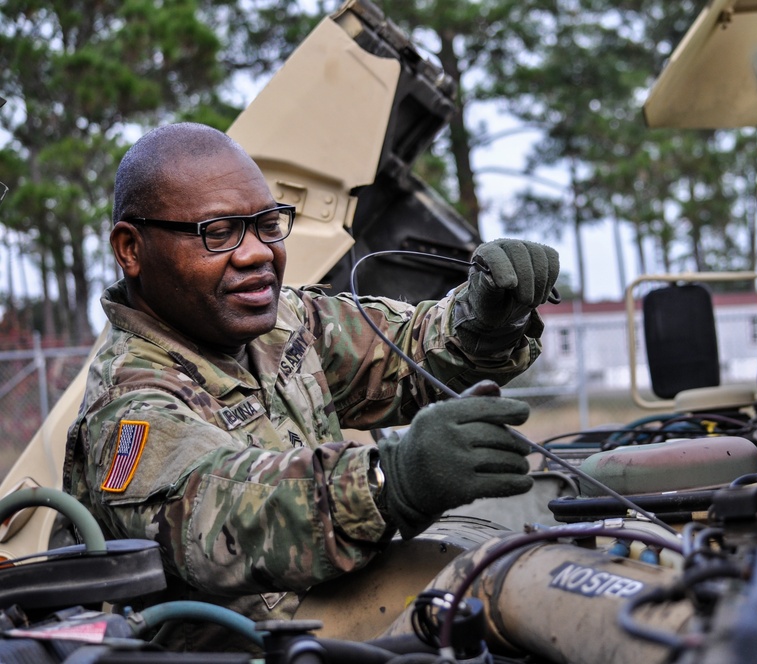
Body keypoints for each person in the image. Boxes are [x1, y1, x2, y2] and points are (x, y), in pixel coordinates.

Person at [62, 122, 559, 651]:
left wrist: (484, 318)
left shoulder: (281, 324)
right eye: (218, 232)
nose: (257, 254)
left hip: (347, 612)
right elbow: (220, 518)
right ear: (131, 249)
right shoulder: (129, 407)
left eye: (267, 225)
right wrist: (389, 481)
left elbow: (407, 352)